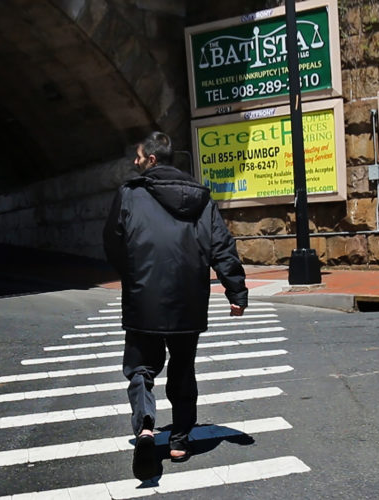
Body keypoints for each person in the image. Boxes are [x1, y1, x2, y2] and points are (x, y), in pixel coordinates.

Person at [103, 131, 248, 481]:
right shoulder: (202, 199)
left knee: (141, 368)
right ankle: (180, 440)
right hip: (189, 301)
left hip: (143, 299)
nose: (135, 163)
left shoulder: (130, 194)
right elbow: (222, 247)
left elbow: (113, 241)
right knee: (183, 368)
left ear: (152, 160)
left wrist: (133, 274)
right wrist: (236, 292)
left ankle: (146, 429)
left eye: (139, 158)